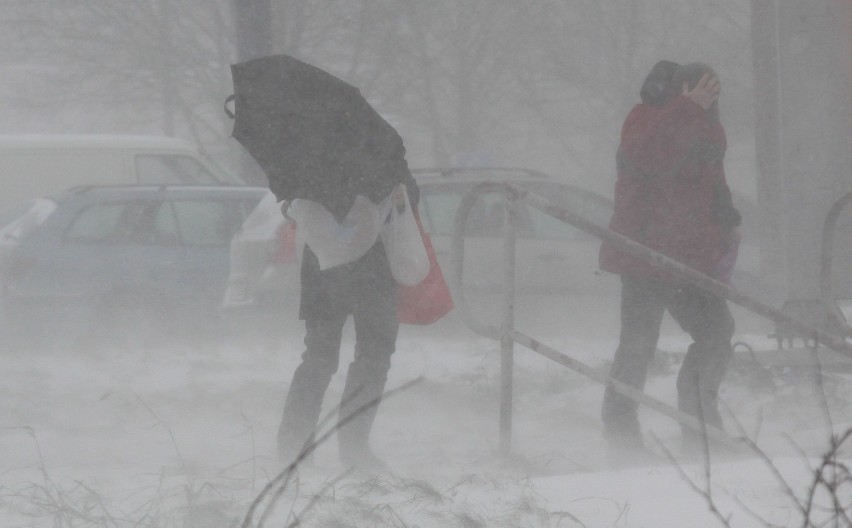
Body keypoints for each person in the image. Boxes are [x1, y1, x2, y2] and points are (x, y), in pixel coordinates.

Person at [598, 61, 742, 456]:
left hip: (688, 259)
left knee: (716, 332)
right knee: (638, 346)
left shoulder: (707, 126)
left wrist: (728, 221)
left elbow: (714, 181)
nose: (706, 99)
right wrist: (685, 108)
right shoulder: (644, 119)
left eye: (713, 93)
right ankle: (621, 435)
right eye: (699, 91)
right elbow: (648, 159)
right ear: (677, 90)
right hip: (644, 255)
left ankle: (700, 428)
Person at [277, 172, 420, 470]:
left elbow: (409, 196)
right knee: (351, 356)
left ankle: (307, 449)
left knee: (344, 356)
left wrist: (401, 198)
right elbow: (409, 196)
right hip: (353, 266)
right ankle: (328, 448)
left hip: (344, 265)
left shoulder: (307, 153)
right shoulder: (379, 147)